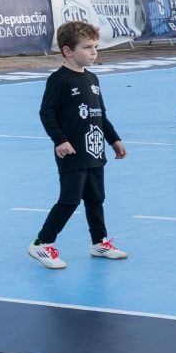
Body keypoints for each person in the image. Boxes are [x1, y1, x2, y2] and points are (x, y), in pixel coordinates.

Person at [28, 21, 128, 269]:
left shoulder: (92, 78)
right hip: (72, 152)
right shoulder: (59, 80)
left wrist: (113, 139)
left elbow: (100, 115)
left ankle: (99, 242)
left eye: (95, 47)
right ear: (68, 51)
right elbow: (46, 113)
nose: (94, 52)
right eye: (87, 47)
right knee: (70, 200)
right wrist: (59, 140)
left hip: (94, 151)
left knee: (96, 198)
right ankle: (41, 243)